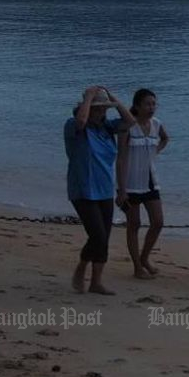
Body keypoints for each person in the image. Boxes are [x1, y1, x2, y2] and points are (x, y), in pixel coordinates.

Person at [65, 85, 130, 295]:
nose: (101, 113)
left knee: (104, 238)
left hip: (104, 189)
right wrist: (90, 96)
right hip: (82, 189)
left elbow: (131, 121)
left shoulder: (107, 128)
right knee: (98, 236)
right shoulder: (73, 126)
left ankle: (96, 282)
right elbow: (82, 121)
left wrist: (113, 99)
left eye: (103, 110)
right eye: (97, 109)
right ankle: (81, 268)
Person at [117, 88, 170, 279]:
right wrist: (121, 190)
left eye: (154, 104)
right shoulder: (127, 127)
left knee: (158, 221)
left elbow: (165, 138)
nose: (151, 108)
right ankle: (137, 267)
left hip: (151, 180)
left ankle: (145, 257)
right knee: (134, 224)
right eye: (147, 104)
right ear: (137, 106)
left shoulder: (156, 124)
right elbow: (121, 158)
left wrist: (155, 151)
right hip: (130, 182)